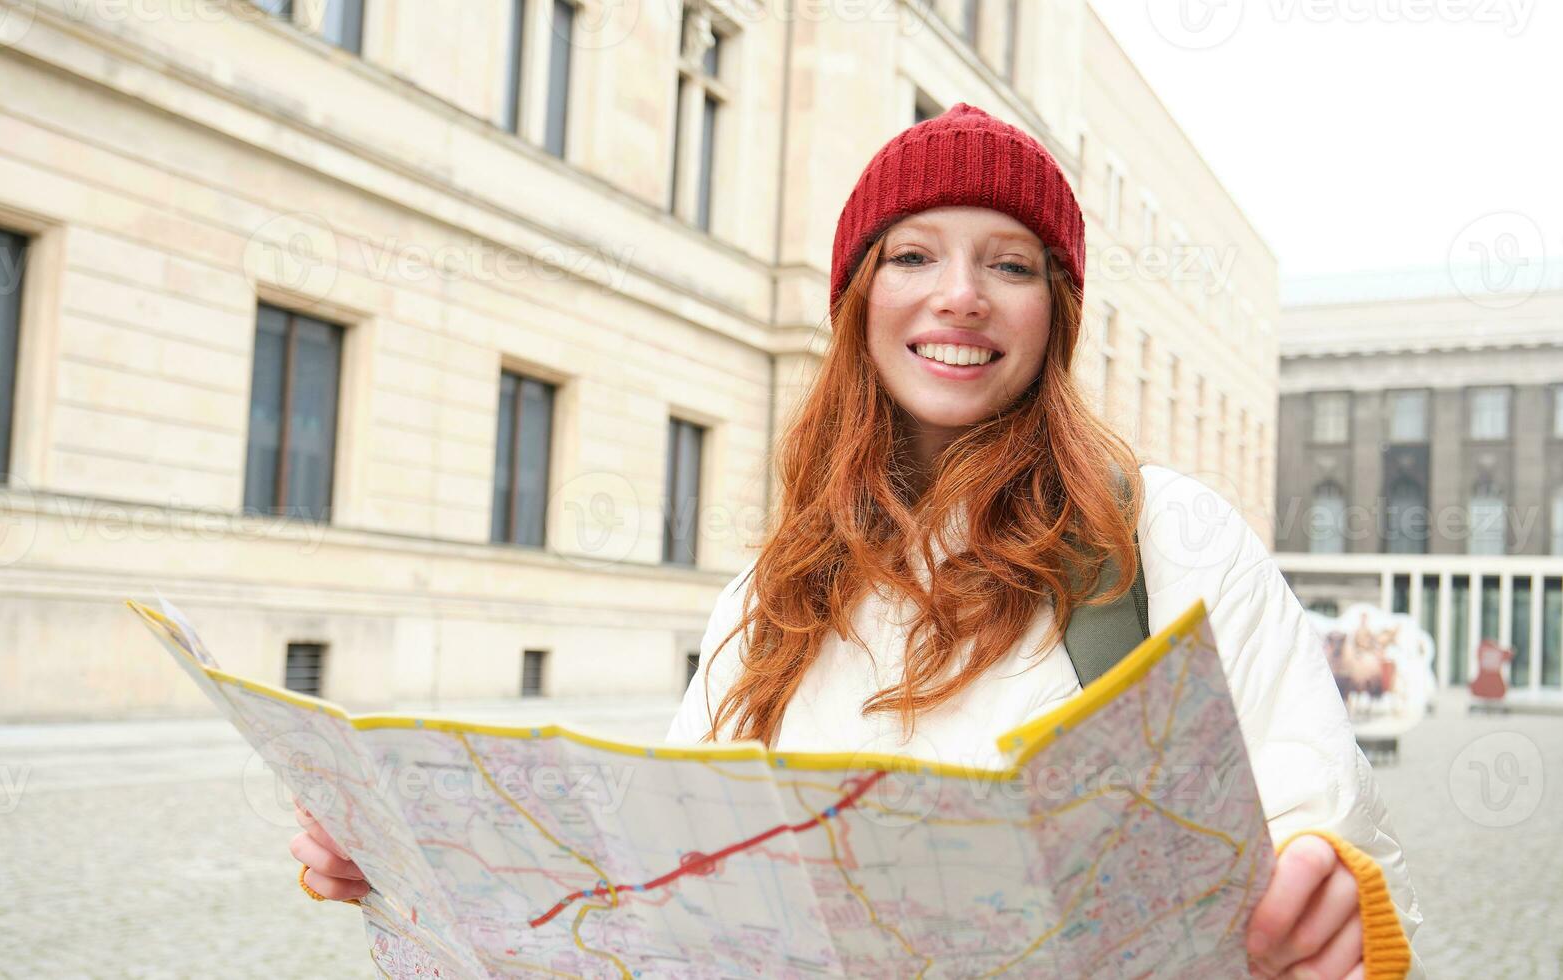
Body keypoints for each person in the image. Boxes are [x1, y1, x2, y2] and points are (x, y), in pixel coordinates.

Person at [292, 103, 1420, 979]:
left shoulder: (1162, 534)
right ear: (856, 297)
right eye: (913, 255)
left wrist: (1320, 888)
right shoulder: (766, 590)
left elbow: (1307, 794)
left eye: (1011, 264)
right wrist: (408, 857)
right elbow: (667, 882)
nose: (961, 296)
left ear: (1055, 312)